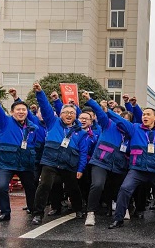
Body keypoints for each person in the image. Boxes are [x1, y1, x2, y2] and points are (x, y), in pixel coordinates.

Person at [107, 107, 155, 229]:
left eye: (148, 114)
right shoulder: (135, 128)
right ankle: (118, 219)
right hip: (137, 169)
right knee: (124, 189)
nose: (145, 116)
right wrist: (107, 111)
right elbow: (120, 120)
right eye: (144, 114)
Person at [31, 83, 89, 225]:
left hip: (69, 163)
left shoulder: (81, 132)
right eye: (66, 112)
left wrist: (80, 169)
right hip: (50, 161)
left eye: (72, 113)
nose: (69, 115)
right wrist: (40, 93)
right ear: (60, 114)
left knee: (73, 187)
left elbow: (83, 152)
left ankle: (78, 208)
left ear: (76, 116)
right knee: (44, 185)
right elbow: (45, 107)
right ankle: (38, 214)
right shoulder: (53, 122)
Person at [0, 83, 38, 223]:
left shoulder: (33, 127)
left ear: (27, 112)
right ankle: (5, 212)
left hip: (26, 163)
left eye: (24, 110)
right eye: (18, 109)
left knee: (31, 187)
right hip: (7, 162)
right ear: (12, 112)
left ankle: (32, 209)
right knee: (1, 187)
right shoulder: (5, 122)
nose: (21, 112)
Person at [83, 93, 129, 226]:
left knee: (121, 187)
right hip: (100, 161)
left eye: (126, 119)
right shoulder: (109, 124)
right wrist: (91, 101)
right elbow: (101, 113)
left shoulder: (130, 133)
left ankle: (122, 208)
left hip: (119, 164)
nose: (122, 120)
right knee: (97, 184)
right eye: (120, 118)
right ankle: (90, 213)